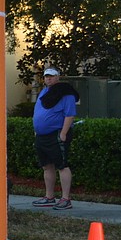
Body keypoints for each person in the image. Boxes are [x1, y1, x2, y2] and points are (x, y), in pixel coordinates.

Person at [32, 66, 79, 210]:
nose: (48, 78)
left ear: (58, 77)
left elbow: (69, 114)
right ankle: (49, 196)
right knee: (47, 166)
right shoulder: (44, 93)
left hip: (57, 134)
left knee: (62, 165)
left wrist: (63, 133)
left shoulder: (66, 94)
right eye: (46, 76)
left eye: (51, 76)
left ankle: (65, 199)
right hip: (42, 136)